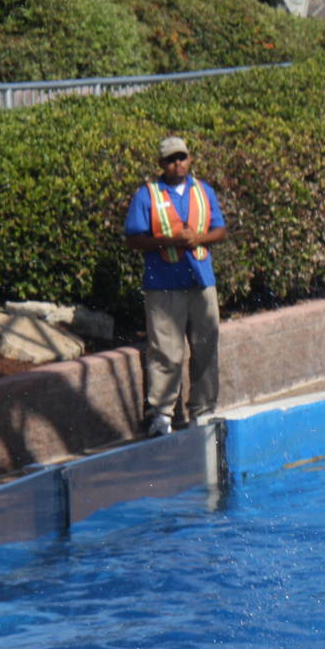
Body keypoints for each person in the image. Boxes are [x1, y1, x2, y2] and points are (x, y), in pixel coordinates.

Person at [123, 136, 228, 437]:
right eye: (171, 159)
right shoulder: (147, 195)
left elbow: (220, 230)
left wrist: (200, 238)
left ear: (190, 159)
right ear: (161, 164)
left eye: (181, 157)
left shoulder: (203, 191)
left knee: (206, 348)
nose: (177, 163)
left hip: (201, 281)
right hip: (163, 286)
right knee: (166, 351)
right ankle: (162, 415)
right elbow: (133, 239)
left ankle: (203, 411)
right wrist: (168, 242)